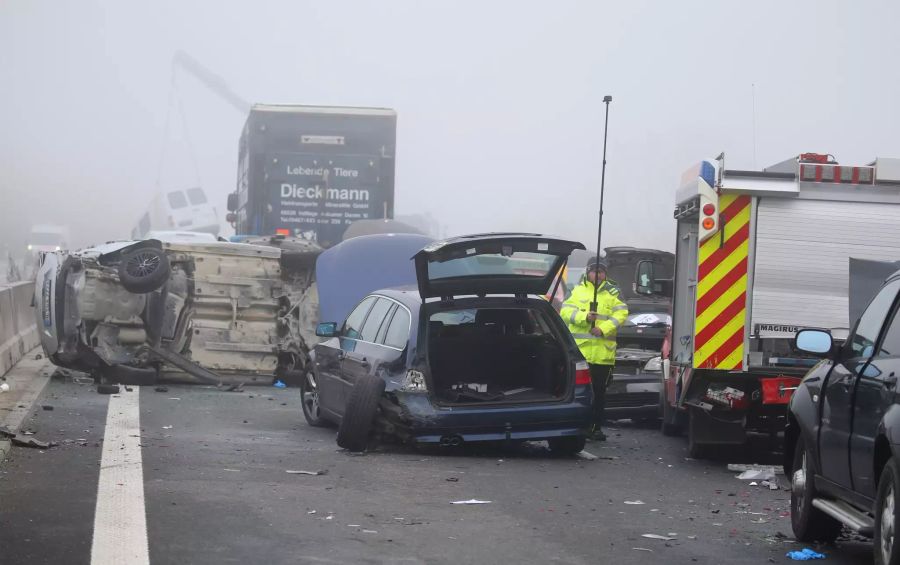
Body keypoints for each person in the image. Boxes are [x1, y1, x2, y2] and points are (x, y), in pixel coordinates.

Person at [559, 257, 628, 441]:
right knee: (577, 393)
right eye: (594, 271)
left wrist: (603, 329)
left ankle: (596, 428)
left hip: (603, 356)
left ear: (605, 273)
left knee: (599, 394)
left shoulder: (614, 292)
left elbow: (621, 314)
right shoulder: (575, 290)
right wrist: (585, 317)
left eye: (601, 271)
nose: (597, 275)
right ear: (587, 272)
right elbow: (565, 312)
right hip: (580, 355)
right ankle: (577, 426)